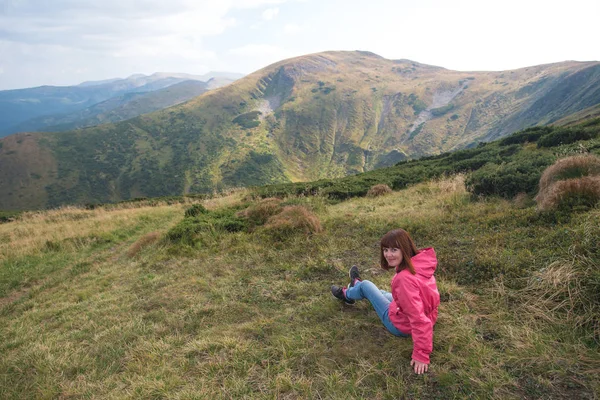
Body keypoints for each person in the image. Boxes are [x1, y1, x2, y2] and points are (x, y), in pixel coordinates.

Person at [331, 228, 440, 375]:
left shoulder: (404, 279)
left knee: (367, 285)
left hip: (401, 325)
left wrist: (421, 354)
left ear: (405, 249)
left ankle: (347, 294)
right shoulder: (420, 265)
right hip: (426, 315)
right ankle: (356, 285)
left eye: (394, 249)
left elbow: (418, 319)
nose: (388, 254)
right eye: (386, 249)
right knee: (380, 293)